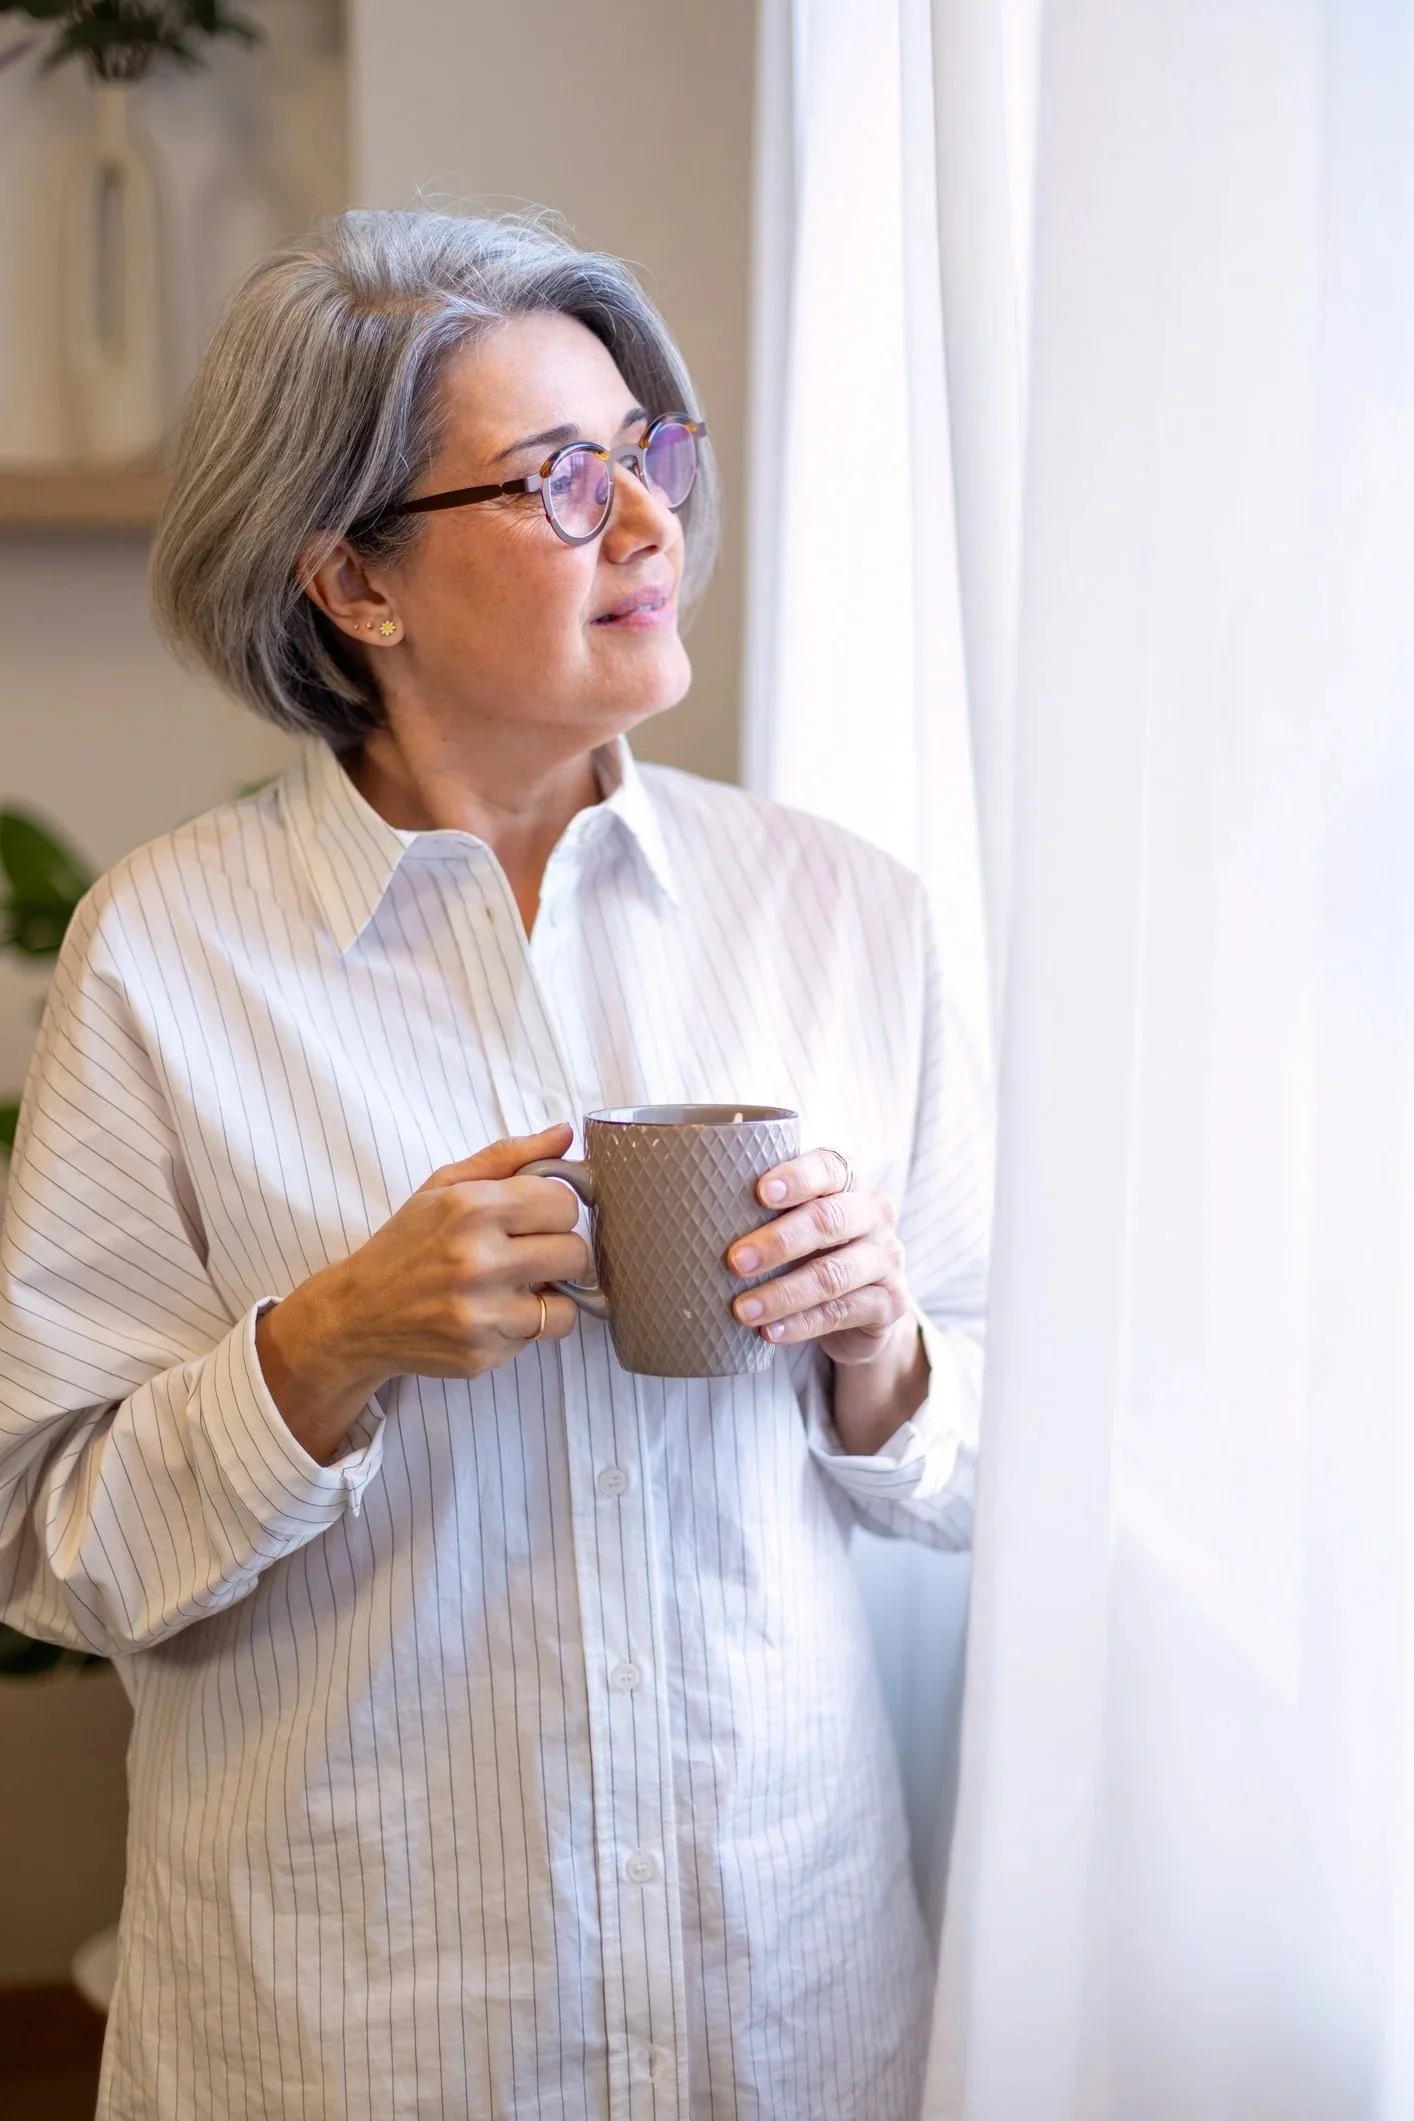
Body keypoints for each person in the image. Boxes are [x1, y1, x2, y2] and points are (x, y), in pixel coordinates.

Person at [0, 209, 992, 2120]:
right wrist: (325, 1345)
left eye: (648, 455)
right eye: (559, 479)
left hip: (771, 1995)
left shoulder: (847, 916)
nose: (646, 524)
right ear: (352, 585)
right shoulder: (167, 949)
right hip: (353, 2022)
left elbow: (1008, 1439)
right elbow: (46, 1537)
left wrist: (885, 1351)